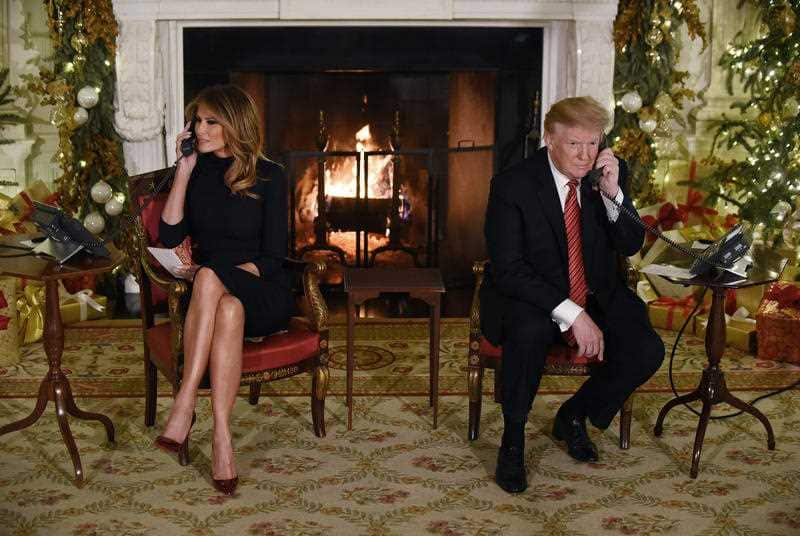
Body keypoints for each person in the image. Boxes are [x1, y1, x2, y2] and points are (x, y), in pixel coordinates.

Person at [480, 96, 664, 494]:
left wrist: (615, 195)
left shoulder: (606, 176)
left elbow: (630, 244)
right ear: (550, 139)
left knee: (647, 349)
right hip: (530, 294)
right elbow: (510, 270)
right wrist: (572, 314)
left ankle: (575, 415)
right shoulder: (513, 185)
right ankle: (513, 441)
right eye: (575, 144)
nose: (585, 155)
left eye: (593, 144)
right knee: (526, 334)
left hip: (598, 290)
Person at [154, 84, 293, 496]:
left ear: (235, 123)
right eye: (197, 120)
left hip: (265, 292)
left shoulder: (271, 175)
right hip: (219, 299)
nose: (200, 128)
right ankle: (222, 438)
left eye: (211, 121)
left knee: (212, 278)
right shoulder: (196, 173)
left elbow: (273, 258)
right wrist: (181, 172)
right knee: (227, 308)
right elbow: (169, 234)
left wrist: (220, 274)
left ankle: (183, 405)